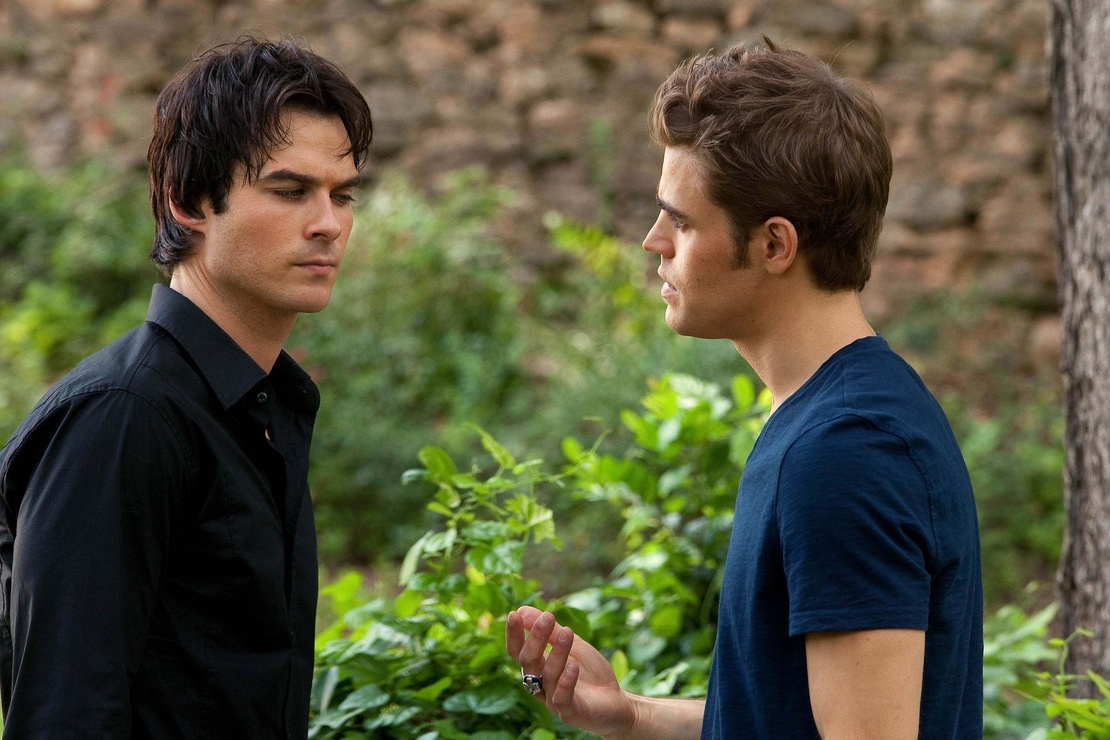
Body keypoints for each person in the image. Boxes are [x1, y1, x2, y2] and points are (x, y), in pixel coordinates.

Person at [506, 40, 983, 739]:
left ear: (774, 245)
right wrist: (631, 715)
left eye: (681, 220)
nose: (653, 241)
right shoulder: (837, 418)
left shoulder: (847, 452)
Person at [0, 37, 372, 737]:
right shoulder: (124, 416)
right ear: (189, 202)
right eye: (290, 191)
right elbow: (64, 716)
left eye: (343, 194)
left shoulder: (265, 406)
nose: (328, 223)